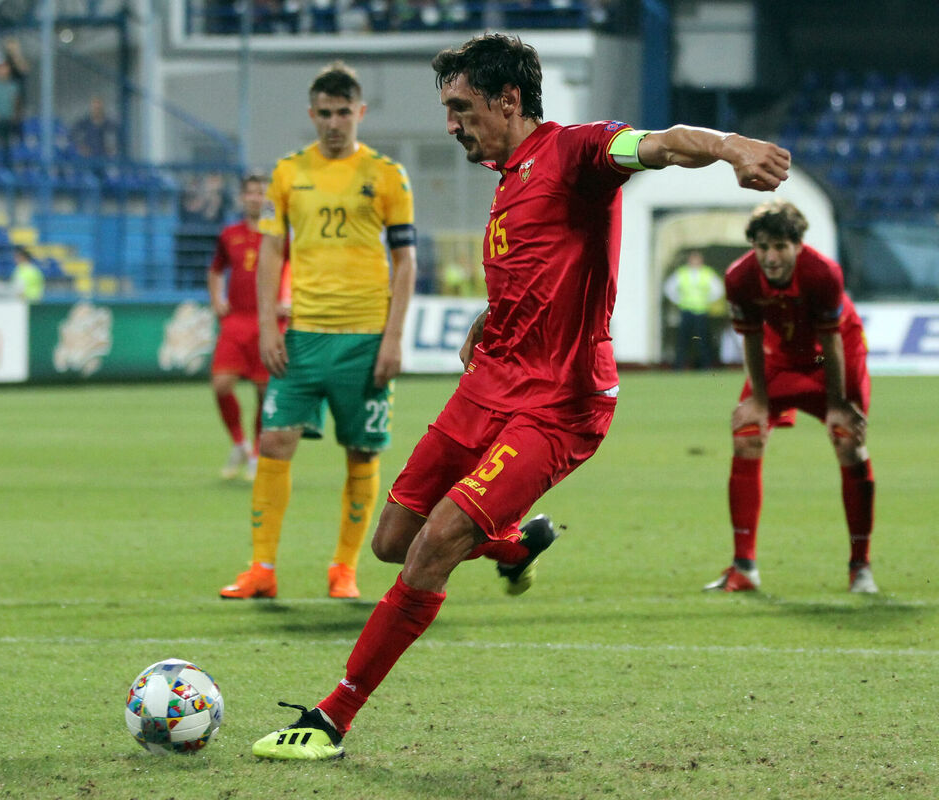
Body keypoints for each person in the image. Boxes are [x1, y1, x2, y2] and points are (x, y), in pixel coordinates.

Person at [248, 33, 789, 760]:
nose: (451, 123)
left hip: (559, 402)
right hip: (490, 383)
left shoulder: (579, 152)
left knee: (434, 546)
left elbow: (661, 144)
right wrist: (490, 315)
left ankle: (331, 718)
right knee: (392, 542)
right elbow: (537, 266)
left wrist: (729, 147)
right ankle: (513, 543)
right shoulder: (509, 177)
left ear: (508, 100)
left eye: (460, 107)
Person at [219, 61, 418, 601]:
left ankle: (344, 569)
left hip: (365, 338)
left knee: (361, 453)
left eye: (343, 112)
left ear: (361, 112)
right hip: (302, 335)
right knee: (275, 440)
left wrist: (394, 337)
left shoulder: (387, 175)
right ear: (312, 114)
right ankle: (262, 569)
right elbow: (271, 251)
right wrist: (268, 325)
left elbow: (404, 260)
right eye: (325, 113)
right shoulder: (288, 173)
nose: (334, 123)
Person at [704, 200, 876, 594]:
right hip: (779, 356)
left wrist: (837, 404)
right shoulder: (739, 277)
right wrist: (759, 400)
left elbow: (831, 342)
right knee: (746, 435)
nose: (771, 257)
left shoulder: (822, 273)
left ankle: (860, 567)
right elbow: (750, 338)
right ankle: (744, 568)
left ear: (798, 245)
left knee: (848, 443)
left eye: (780, 246)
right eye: (763, 247)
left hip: (833, 357)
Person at [207, 172, 290, 481]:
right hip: (237, 320)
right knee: (221, 384)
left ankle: (256, 453)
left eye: (261, 192)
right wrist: (217, 298)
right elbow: (215, 270)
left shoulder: (280, 234)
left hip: (269, 321)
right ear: (242, 197)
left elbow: (295, 267)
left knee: (264, 391)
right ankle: (239, 443)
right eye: (250, 192)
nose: (255, 198)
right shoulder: (229, 234)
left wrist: (287, 299)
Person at [663, 249, 724, 370]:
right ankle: (679, 365)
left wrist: (708, 300)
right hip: (686, 310)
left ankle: (705, 365)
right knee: (683, 340)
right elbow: (669, 288)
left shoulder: (707, 273)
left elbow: (718, 289)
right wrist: (678, 300)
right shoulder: (682, 273)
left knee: (702, 340)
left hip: (701, 311)